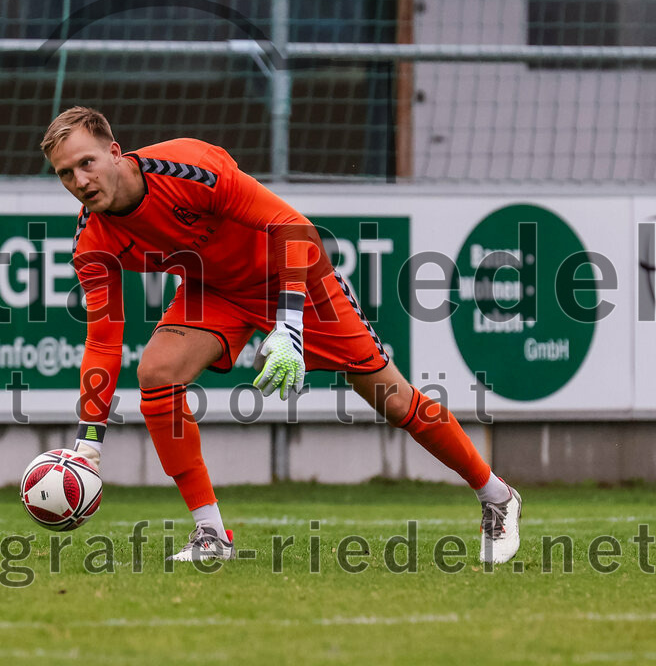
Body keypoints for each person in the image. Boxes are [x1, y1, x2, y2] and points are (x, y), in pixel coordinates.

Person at [40, 106, 522, 564]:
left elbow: (294, 228)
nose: (80, 181)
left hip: (291, 272)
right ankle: (210, 533)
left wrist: (289, 323)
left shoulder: (190, 167)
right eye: (66, 174)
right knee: (157, 373)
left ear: (115, 152)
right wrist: (89, 442)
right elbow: (103, 340)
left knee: (393, 399)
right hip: (216, 291)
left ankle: (496, 495)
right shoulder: (91, 242)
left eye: (87, 163)